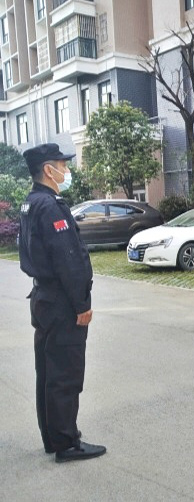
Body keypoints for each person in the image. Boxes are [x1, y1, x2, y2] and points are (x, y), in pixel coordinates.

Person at [18, 143, 106, 463]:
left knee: (48, 371)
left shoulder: (30, 203)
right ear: (48, 170)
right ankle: (67, 443)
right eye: (63, 165)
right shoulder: (50, 206)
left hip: (44, 297)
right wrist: (82, 304)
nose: (67, 171)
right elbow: (68, 258)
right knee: (65, 374)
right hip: (61, 302)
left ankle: (53, 437)